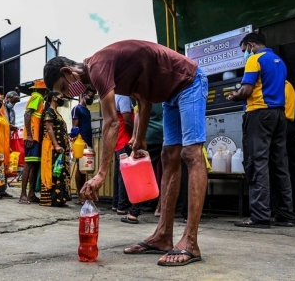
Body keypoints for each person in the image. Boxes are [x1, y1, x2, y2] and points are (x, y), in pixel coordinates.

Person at [44, 39, 208, 266]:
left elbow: (111, 123)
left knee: (191, 154)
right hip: (169, 94)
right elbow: (143, 98)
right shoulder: (105, 71)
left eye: (64, 87)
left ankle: (190, 241)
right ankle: (163, 236)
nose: (69, 94)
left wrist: (101, 174)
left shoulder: (97, 67)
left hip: (189, 81)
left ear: (68, 72)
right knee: (168, 157)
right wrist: (139, 138)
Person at [229, 32, 295, 227]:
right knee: (280, 165)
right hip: (279, 115)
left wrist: (236, 95)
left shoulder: (255, 59)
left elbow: (247, 90)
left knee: (257, 162)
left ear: (250, 45)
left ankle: (260, 216)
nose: (245, 54)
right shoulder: (279, 61)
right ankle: (285, 215)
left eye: (244, 50)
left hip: (258, 114)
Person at [111, 95, 140, 223]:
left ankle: (116, 203)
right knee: (125, 174)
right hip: (125, 140)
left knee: (119, 173)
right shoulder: (123, 96)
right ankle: (122, 205)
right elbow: (127, 120)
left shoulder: (113, 96)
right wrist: (137, 135)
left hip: (118, 140)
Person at [40, 91, 71, 207]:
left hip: (61, 147)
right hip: (53, 148)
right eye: (61, 97)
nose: (62, 99)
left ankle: (61, 198)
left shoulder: (56, 112)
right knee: (56, 172)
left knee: (61, 172)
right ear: (53, 98)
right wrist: (56, 145)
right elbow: (49, 128)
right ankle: (54, 199)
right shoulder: (49, 112)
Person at [19, 80, 46, 204]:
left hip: (35, 137)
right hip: (32, 136)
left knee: (34, 165)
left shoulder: (39, 98)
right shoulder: (37, 97)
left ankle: (31, 194)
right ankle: (23, 195)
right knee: (29, 165)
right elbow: (27, 114)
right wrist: (29, 135)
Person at [70, 88, 96, 204]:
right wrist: (80, 140)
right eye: (90, 96)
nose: (91, 98)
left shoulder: (87, 110)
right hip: (80, 142)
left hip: (88, 141)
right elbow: (75, 128)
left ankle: (83, 194)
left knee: (85, 168)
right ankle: (80, 195)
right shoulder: (77, 109)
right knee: (80, 168)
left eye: (93, 97)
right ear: (84, 95)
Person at [283, 81, 295, 216]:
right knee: (290, 168)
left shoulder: (279, 84)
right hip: (289, 126)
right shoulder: (288, 84)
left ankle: (287, 208)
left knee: (280, 169)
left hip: (282, 126)